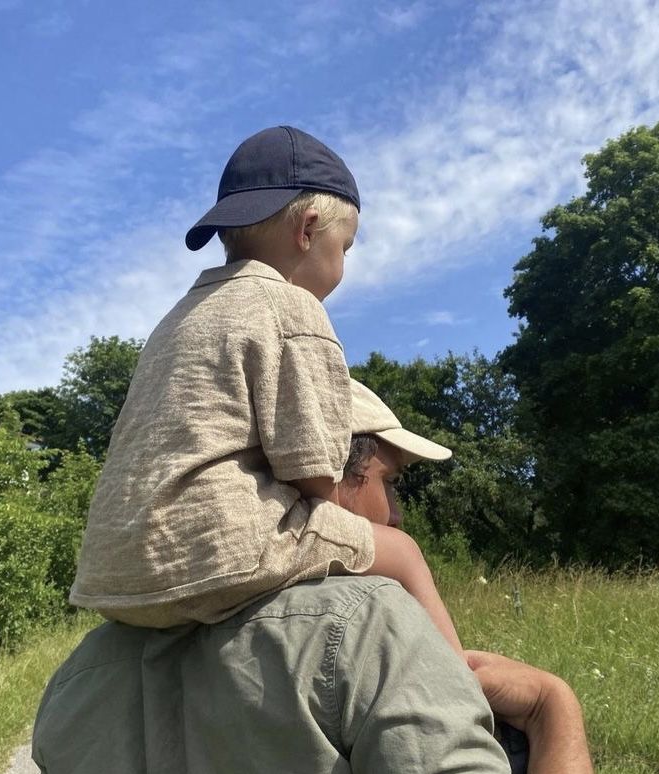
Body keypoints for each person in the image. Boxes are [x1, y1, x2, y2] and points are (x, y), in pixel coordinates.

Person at [29, 381, 614, 774]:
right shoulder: (368, 630)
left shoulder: (79, 679)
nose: (396, 511)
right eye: (391, 481)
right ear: (324, 477)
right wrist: (552, 709)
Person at [68, 125, 462, 654]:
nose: (342, 266)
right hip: (219, 550)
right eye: (344, 247)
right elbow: (316, 474)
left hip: (114, 574)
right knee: (404, 552)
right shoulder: (294, 307)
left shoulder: (176, 319)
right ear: (309, 228)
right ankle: (457, 675)